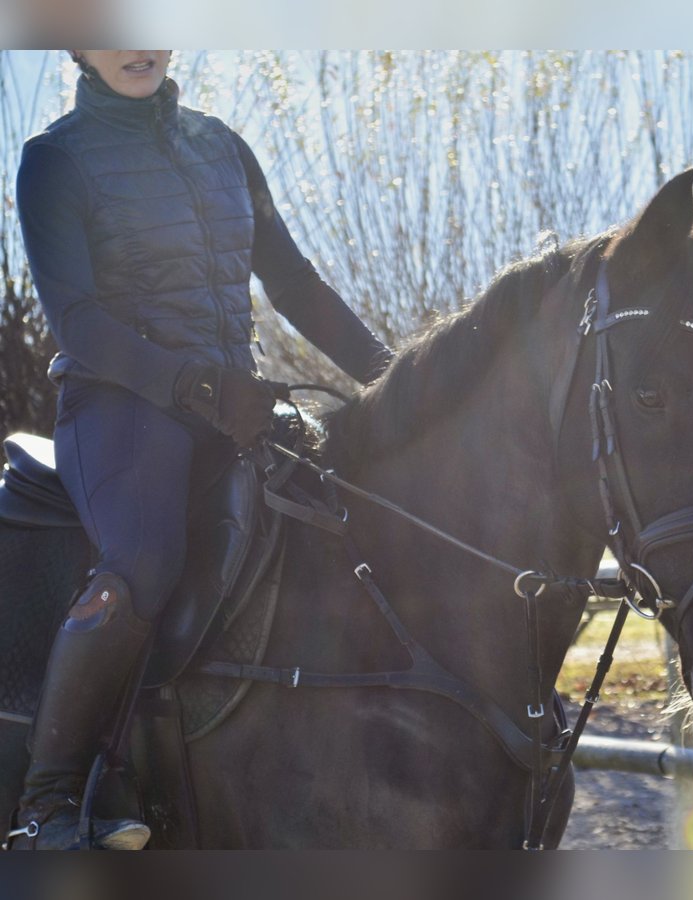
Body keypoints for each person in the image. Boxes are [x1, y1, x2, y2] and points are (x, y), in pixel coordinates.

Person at [8, 51, 392, 850]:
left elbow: (294, 285)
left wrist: (396, 377)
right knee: (144, 559)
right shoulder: (54, 160)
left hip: (231, 407)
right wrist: (197, 385)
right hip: (118, 408)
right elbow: (77, 320)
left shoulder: (223, 147)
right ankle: (48, 804)